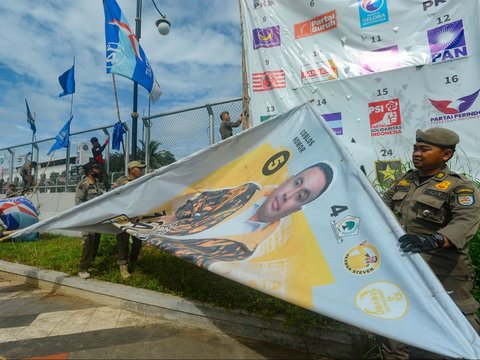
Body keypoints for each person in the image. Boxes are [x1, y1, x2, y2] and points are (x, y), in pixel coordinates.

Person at [381, 128, 480, 359]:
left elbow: (465, 222)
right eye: (416, 148)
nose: (417, 153)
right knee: (395, 328)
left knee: (459, 329)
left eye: (425, 149)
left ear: (445, 155)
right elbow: (379, 206)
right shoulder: (404, 181)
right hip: (404, 268)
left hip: (444, 271)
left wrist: (432, 239)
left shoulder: (459, 187)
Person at [121, 162, 334, 269]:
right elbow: (194, 205)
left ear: (298, 209)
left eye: (301, 196)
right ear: (287, 180)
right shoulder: (244, 192)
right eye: (296, 183)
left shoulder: (245, 250)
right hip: (160, 227)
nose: (289, 195)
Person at [111, 161, 146, 279]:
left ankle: (133, 262)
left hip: (137, 217)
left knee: (137, 242)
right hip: (123, 217)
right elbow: (112, 196)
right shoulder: (121, 181)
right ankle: (123, 266)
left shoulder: (142, 181)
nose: (141, 170)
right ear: (131, 170)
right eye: (139, 168)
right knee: (123, 242)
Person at [75, 161, 105, 279]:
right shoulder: (83, 184)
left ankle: (89, 265)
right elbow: (78, 203)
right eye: (96, 168)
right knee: (87, 243)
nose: (99, 170)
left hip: (97, 219)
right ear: (90, 171)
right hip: (87, 219)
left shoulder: (97, 184)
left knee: (95, 243)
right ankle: (82, 268)